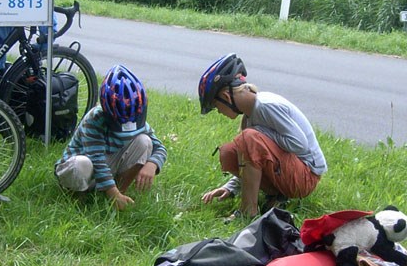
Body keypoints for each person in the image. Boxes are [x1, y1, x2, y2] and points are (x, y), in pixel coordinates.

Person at [198, 52, 327, 220]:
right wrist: (230, 187)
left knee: (249, 138)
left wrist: (259, 134)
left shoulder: (265, 106)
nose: (219, 112)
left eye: (216, 106)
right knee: (230, 151)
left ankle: (247, 212)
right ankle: (277, 196)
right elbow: (250, 158)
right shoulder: (249, 117)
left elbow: (299, 144)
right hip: (290, 170)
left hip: (306, 175)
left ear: (226, 97)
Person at [54, 64, 167, 211]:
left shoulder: (137, 120)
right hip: (82, 166)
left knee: (145, 141)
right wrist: (111, 192)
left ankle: (120, 194)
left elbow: (160, 148)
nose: (128, 123)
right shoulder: (94, 119)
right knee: (82, 165)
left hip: (106, 167)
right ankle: (78, 199)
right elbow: (97, 160)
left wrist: (152, 164)